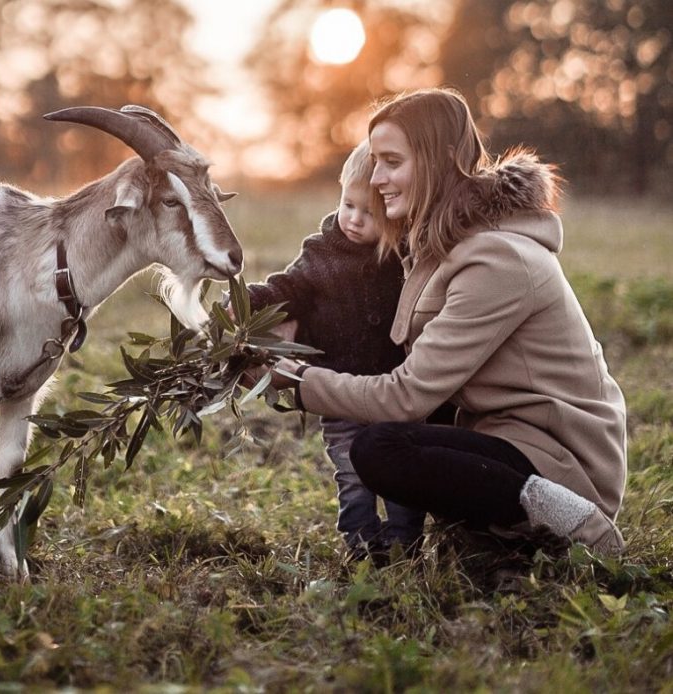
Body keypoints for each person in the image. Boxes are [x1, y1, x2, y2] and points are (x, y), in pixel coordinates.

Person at [266, 87, 626, 555]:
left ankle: (574, 524)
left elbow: (409, 394)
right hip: (500, 441)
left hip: (561, 460)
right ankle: (505, 534)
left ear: (442, 159)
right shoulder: (437, 246)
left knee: (380, 450)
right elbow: (358, 312)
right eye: (374, 162)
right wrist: (290, 325)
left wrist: (297, 382)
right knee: (395, 448)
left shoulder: (495, 258)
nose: (375, 179)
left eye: (391, 161)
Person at [245, 139, 441, 561]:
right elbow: (287, 288)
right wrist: (249, 300)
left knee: (402, 477)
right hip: (336, 392)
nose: (353, 219)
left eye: (368, 213)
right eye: (347, 205)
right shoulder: (321, 253)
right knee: (351, 475)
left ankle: (405, 543)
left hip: (393, 393)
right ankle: (362, 546)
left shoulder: (404, 256)